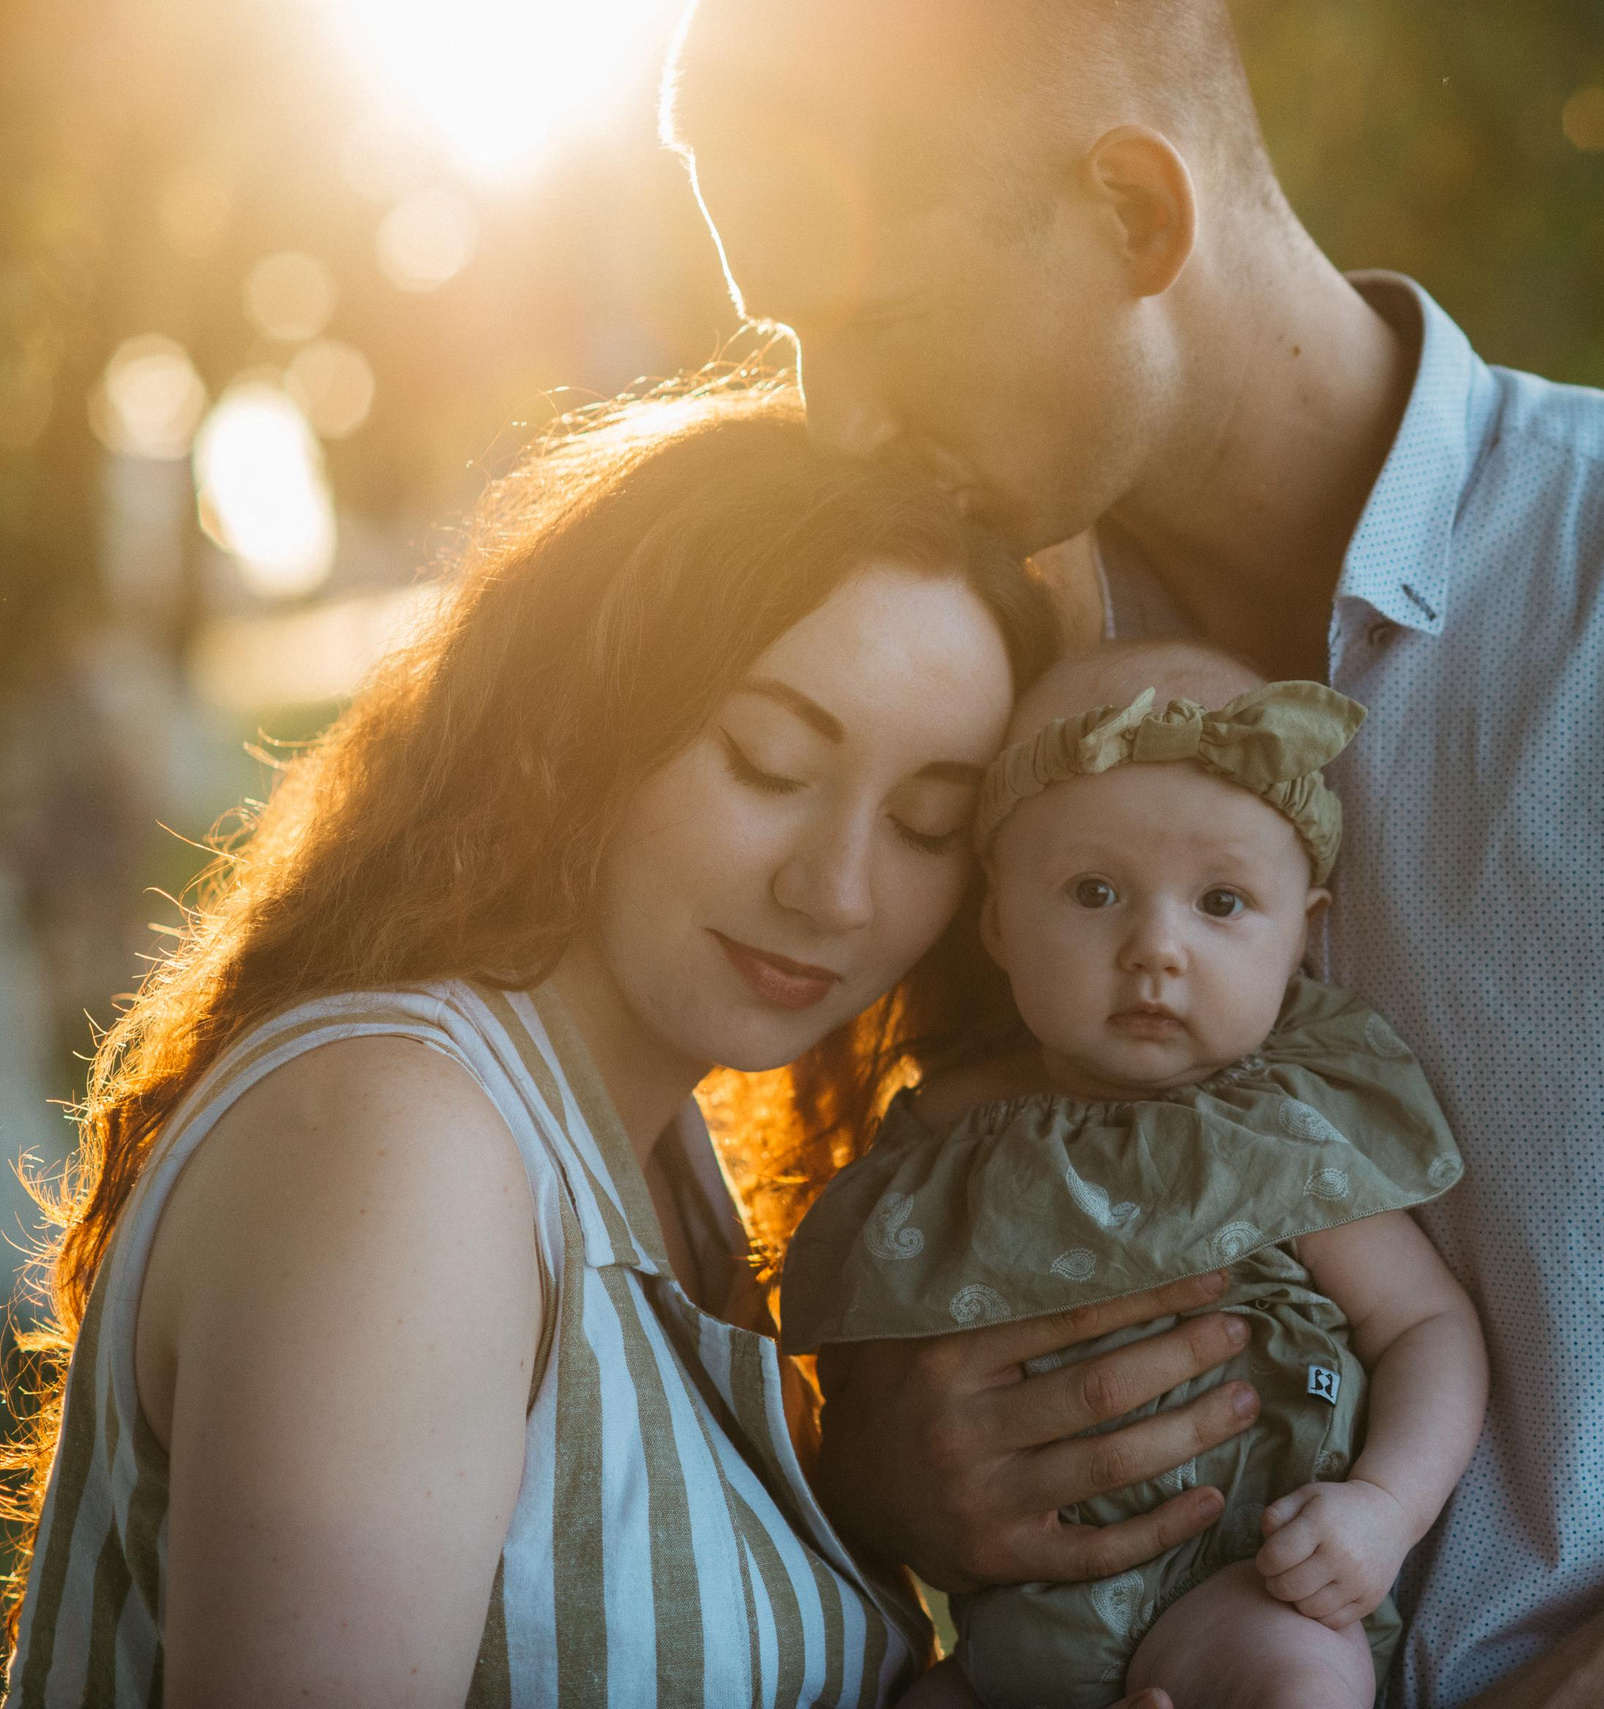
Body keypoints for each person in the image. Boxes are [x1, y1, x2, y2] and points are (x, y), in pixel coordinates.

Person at [660, 5, 1604, 1706]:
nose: (839, 419)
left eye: (876, 323)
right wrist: (889, 1458)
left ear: (1131, 215)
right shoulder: (966, 689)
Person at [1, 373, 1140, 1706]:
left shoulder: (675, 1172)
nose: (837, 889)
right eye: (770, 764)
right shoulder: (404, 1143)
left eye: (926, 825)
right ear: (571, 731)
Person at [779, 640, 1487, 1709]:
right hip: (1018, 1618)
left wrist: (1383, 1507)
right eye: (1096, 889)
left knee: (1302, 1688)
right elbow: (871, 1357)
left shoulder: (1277, 1126)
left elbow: (1426, 1326)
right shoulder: (939, 1136)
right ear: (997, 921)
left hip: (1246, 1581)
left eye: (1221, 902)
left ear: (1303, 934)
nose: (1156, 946)